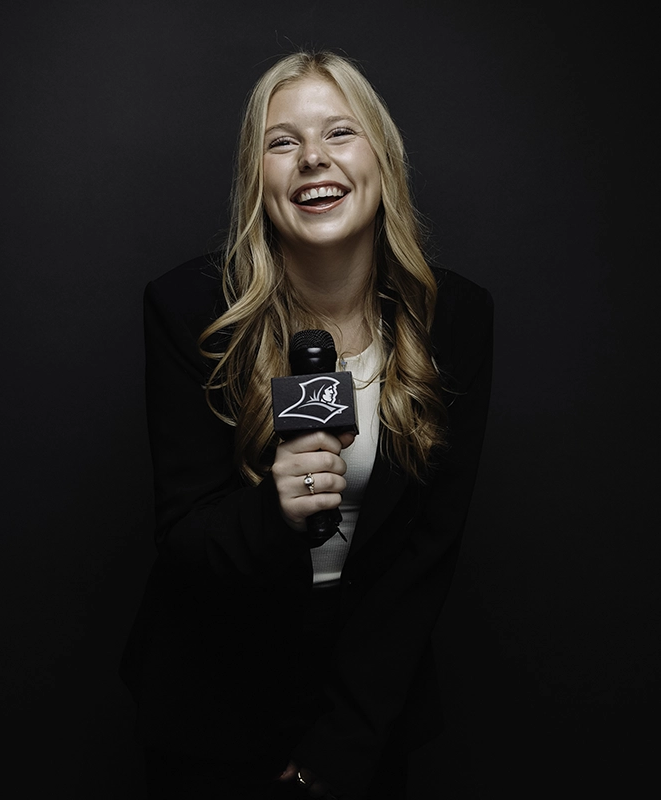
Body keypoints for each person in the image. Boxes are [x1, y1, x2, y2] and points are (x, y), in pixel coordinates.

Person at [120, 50, 493, 800]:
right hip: (212, 703)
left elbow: (427, 550)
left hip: (367, 703)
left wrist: (346, 742)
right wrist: (275, 510)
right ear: (256, 180)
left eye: (339, 133)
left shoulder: (454, 316)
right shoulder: (191, 310)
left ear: (382, 161)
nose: (313, 158)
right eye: (282, 141)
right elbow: (184, 539)